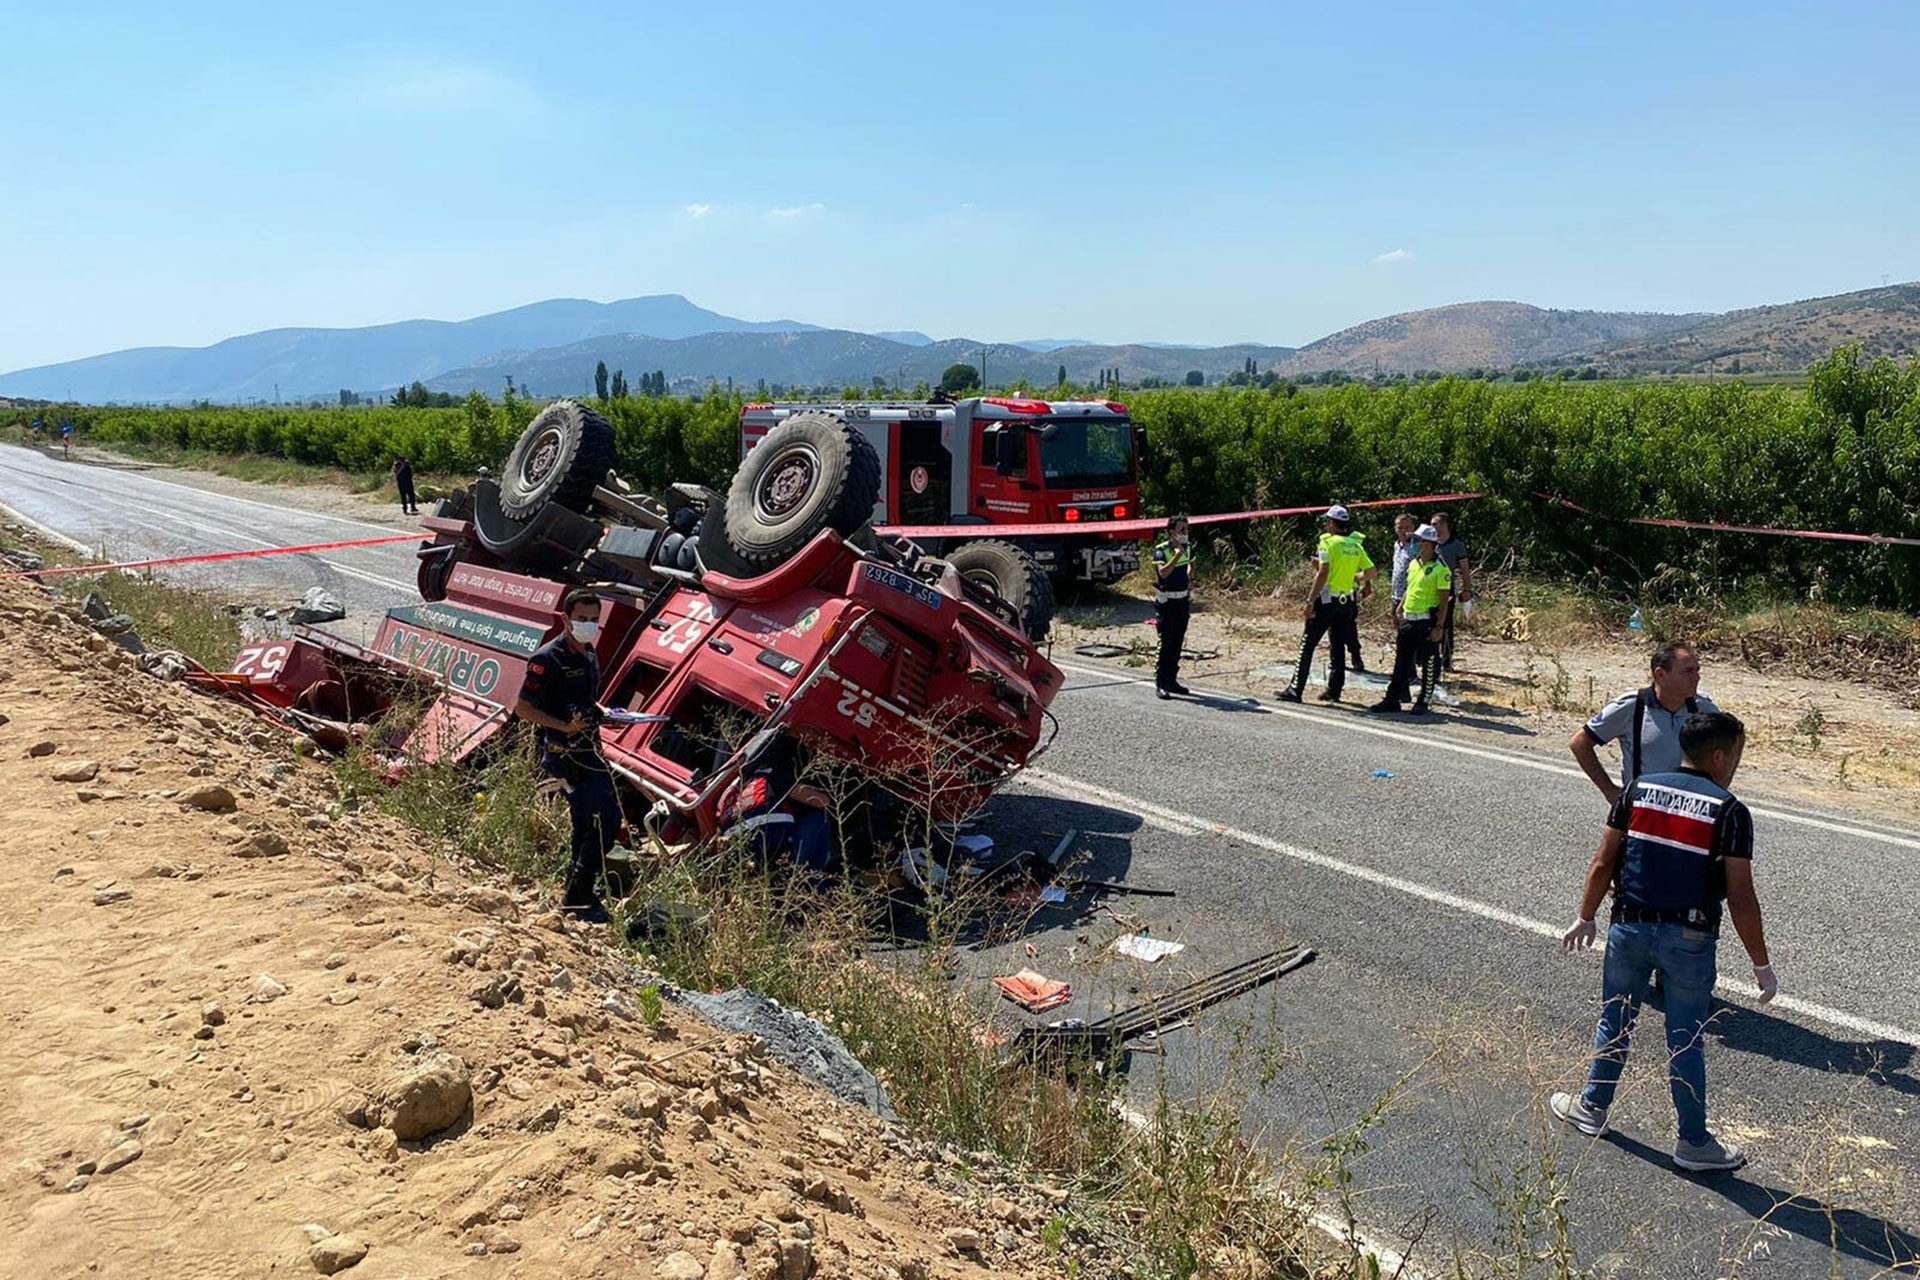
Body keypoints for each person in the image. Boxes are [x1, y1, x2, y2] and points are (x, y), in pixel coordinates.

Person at [1552, 711, 1776, 1173]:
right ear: (1718, 755)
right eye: (1736, 755)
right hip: (1690, 938)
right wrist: (1760, 963)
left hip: (1628, 929)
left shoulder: (1639, 790)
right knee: (1685, 1040)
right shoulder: (1730, 810)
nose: (1736, 765)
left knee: (1615, 1021)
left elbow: (1602, 863)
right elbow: (1740, 894)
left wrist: (1585, 916)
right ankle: (1693, 1141)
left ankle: (1592, 1108)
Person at [512, 592, 621, 922]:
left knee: (586, 824)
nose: (588, 625)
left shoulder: (588, 654)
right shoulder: (549, 658)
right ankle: (578, 897)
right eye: (582, 618)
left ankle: (579, 895)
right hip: (566, 755)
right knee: (606, 820)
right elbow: (523, 708)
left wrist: (604, 713)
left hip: (591, 749)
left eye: (593, 619)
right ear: (566, 618)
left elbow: (584, 699)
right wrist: (565, 727)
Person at [1571, 642, 1719, 807]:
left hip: (1688, 813)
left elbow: (1733, 742)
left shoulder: (1704, 709)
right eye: (1688, 672)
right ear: (1661, 674)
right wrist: (1609, 791)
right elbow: (1580, 743)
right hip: (1642, 811)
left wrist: (1720, 788)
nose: (1696, 677)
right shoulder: (1632, 706)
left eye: (1697, 670)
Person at [1280, 505, 1374, 704]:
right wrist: (1356, 578)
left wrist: (1310, 601)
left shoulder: (1327, 543)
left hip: (1326, 601)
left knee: (1307, 644)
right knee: (1337, 646)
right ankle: (1334, 690)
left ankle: (1296, 689)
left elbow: (1323, 573)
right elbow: (1372, 572)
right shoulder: (1355, 545)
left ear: (1332, 523)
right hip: (1346, 602)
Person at [1370, 523, 1449, 715]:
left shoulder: (1441, 569)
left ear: (1429, 544)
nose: (1413, 543)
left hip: (1426, 621)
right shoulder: (1414, 564)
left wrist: (1439, 626)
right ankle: (1392, 699)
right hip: (1408, 619)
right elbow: (1410, 588)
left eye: (1418, 540)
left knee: (1429, 661)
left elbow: (1444, 601)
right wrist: (1400, 607)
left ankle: (1424, 699)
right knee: (1401, 661)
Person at [1151, 515, 1193, 700]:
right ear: (1171, 532)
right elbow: (1163, 573)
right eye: (1181, 529)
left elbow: (1190, 566)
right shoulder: (1162, 550)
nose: (1185, 533)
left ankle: (1172, 680)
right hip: (1166, 603)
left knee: (1177, 642)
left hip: (1182, 601)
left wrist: (1189, 578)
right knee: (1165, 643)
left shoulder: (1189, 548)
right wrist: (1176, 555)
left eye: (1187, 529)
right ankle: (1161, 683)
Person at [1430, 512, 1473, 672]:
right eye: (1432, 524)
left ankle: (1446, 659)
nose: (1434, 527)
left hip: (1447, 590)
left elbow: (1464, 569)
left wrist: (1467, 589)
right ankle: (1430, 657)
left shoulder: (1457, 545)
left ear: (1446, 525)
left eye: (1437, 524)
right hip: (1428, 589)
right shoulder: (1430, 543)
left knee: (1446, 624)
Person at [1388, 513, 1418, 621]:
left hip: (1411, 595)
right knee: (1396, 622)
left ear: (1413, 528)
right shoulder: (1397, 545)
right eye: (1400, 528)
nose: (1404, 531)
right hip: (1396, 593)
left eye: (1407, 527)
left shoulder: (1417, 547)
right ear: (1395, 529)